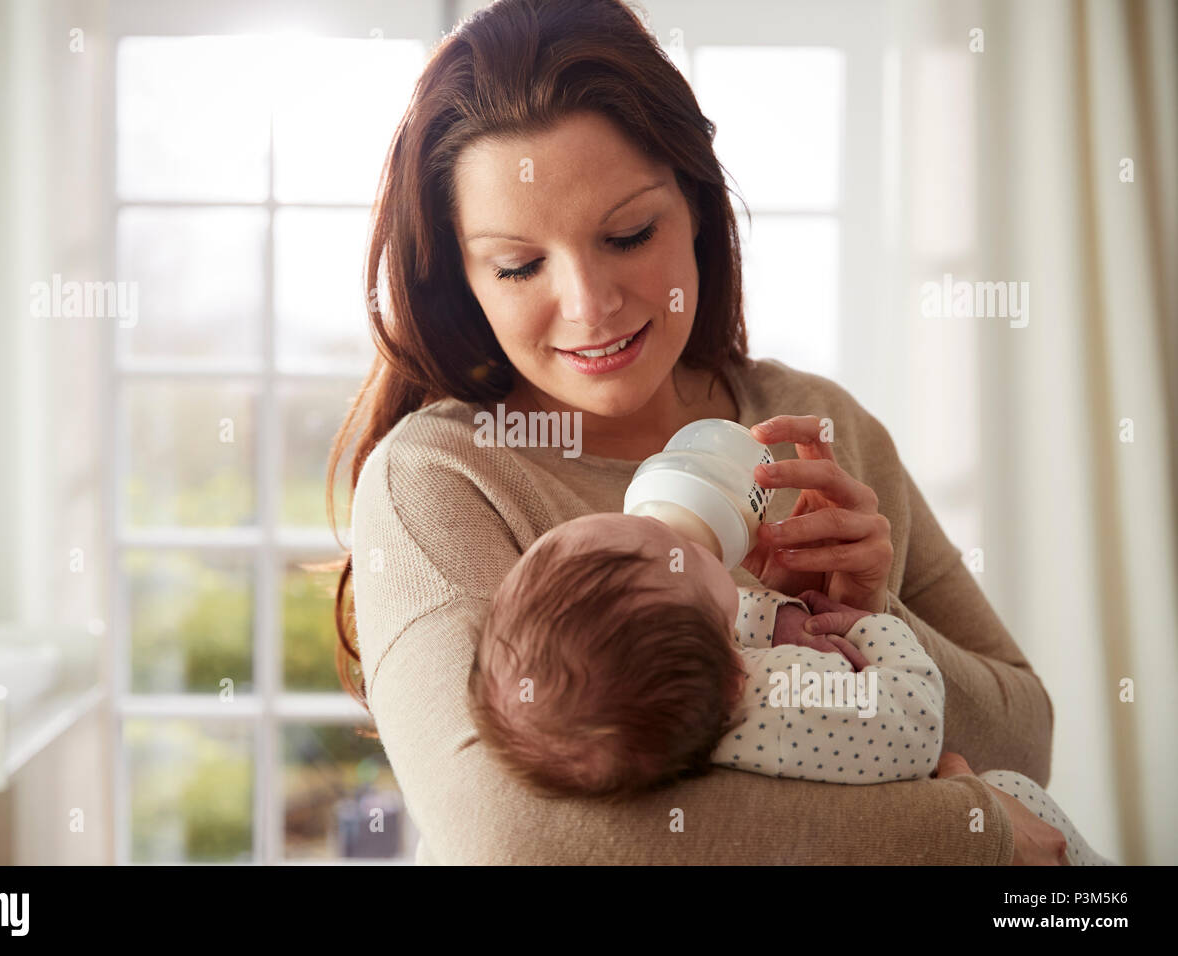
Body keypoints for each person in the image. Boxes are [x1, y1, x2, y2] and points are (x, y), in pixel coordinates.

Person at [328, 0, 1064, 864]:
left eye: (630, 233)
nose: (590, 306)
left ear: (700, 211)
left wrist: (870, 609)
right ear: (463, 279)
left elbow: (1027, 747)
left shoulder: (817, 432)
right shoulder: (440, 481)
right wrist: (960, 830)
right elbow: (514, 838)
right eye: (520, 264)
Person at [466, 512, 1114, 865]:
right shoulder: (790, 704)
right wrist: (874, 628)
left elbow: (719, 625)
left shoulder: (669, 723)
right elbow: (915, 722)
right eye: (676, 553)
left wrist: (777, 616)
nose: (683, 538)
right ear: (733, 676)